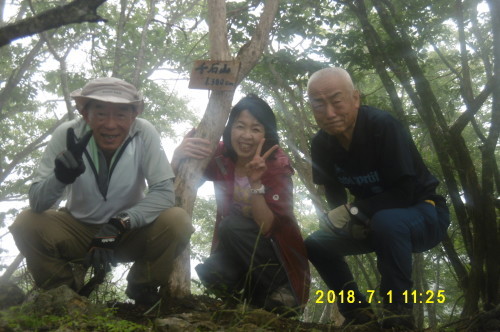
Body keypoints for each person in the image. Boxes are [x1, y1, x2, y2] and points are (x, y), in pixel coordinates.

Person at [10, 77, 193, 306]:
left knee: (177, 220)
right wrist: (60, 178)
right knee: (26, 223)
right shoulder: (67, 134)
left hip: (128, 232)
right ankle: (63, 295)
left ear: (133, 115)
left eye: (120, 114)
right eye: (101, 113)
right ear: (85, 114)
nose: (110, 124)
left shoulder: (143, 132)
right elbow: (37, 203)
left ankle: (142, 287)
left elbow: (164, 193)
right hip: (77, 229)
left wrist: (118, 224)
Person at [304, 68, 450, 329]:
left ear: (355, 98)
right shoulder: (321, 144)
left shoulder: (382, 126)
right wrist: (344, 218)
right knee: (316, 244)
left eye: (336, 102)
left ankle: (398, 318)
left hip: (424, 213)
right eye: (318, 104)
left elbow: (406, 192)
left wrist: (354, 211)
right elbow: (333, 189)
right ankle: (359, 313)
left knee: (387, 221)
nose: (329, 112)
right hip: (374, 222)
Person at [172, 94, 310, 316]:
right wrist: (177, 156)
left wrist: (255, 182)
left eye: (256, 129)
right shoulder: (221, 156)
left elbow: (267, 227)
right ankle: (248, 301)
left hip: (275, 254)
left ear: (266, 135)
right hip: (236, 249)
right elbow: (181, 185)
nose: (246, 136)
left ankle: (280, 292)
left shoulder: (277, 167)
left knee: (232, 226)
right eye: (240, 127)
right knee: (212, 272)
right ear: (230, 129)